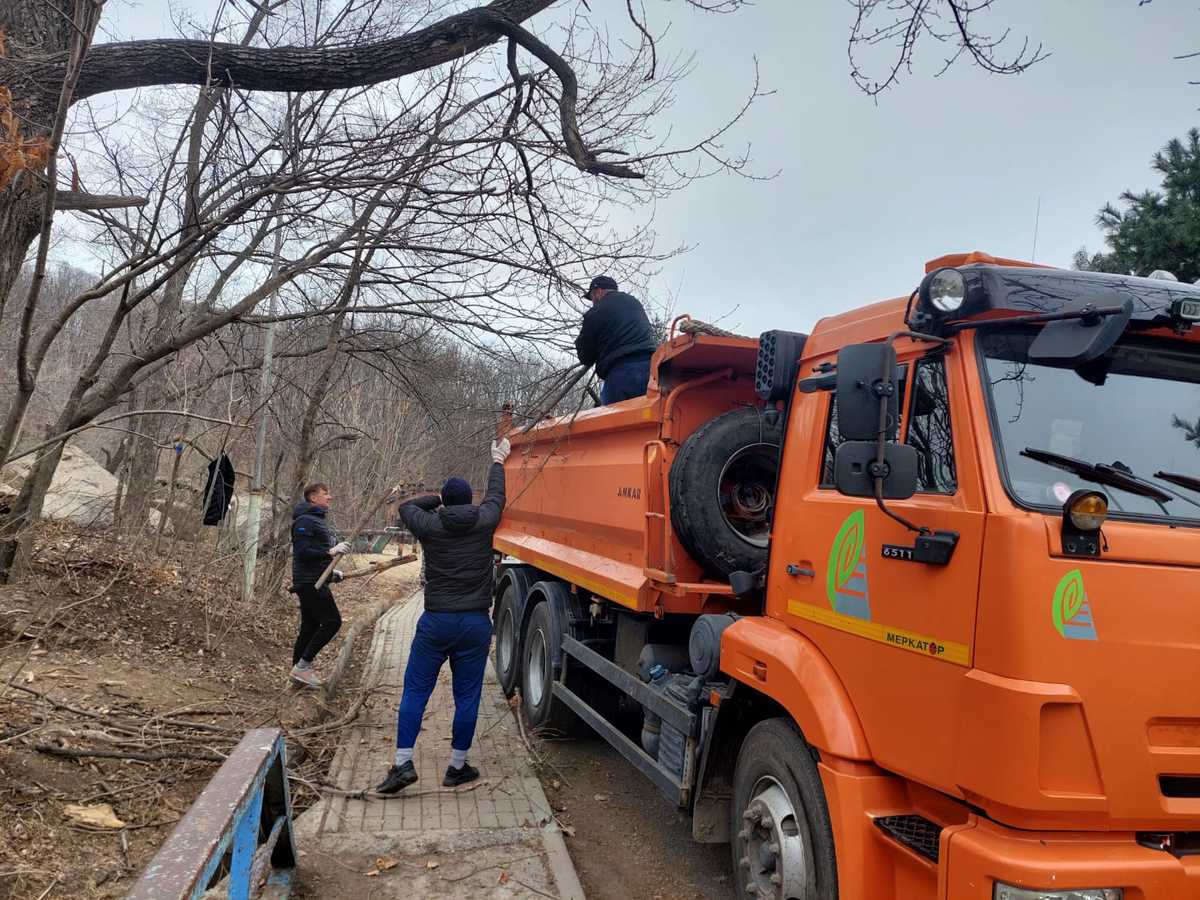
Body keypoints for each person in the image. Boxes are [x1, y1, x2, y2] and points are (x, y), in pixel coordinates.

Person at [376, 437, 511, 794]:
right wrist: (498, 461)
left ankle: (403, 763)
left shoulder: (430, 526)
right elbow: (498, 497)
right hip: (475, 624)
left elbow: (406, 509)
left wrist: (436, 499)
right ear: (471, 500)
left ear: (445, 502)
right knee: (468, 696)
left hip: (435, 622)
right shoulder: (484, 521)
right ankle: (456, 767)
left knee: (416, 691)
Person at [289, 482, 350, 688]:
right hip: (310, 584)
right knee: (333, 622)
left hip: (315, 579)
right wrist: (330, 552)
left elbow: (315, 558)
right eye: (326, 494)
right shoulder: (305, 521)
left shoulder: (315, 519)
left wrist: (332, 573)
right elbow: (303, 554)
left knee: (310, 627)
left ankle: (297, 676)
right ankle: (302, 667)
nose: (330, 497)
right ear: (313, 497)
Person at [574, 275, 659, 405]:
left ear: (598, 292)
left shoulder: (596, 311)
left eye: (591, 297)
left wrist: (580, 342)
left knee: (614, 421)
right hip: (652, 370)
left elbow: (585, 357)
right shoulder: (635, 303)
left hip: (621, 374)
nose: (593, 302)